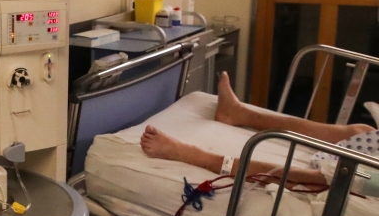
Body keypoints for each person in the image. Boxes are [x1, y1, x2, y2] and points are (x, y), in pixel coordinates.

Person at [140, 72, 379, 188]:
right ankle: (238, 114)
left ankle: (192, 154)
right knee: (360, 131)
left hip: (366, 179)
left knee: (320, 179)